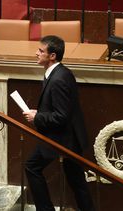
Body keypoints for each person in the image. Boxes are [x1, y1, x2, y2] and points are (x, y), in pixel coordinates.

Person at [22, 35, 95, 211]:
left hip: (63, 138)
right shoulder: (58, 73)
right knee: (77, 182)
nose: (36, 53)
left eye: (41, 51)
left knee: (32, 166)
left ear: (52, 56)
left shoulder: (58, 79)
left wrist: (37, 117)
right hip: (66, 136)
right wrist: (40, 113)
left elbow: (61, 116)